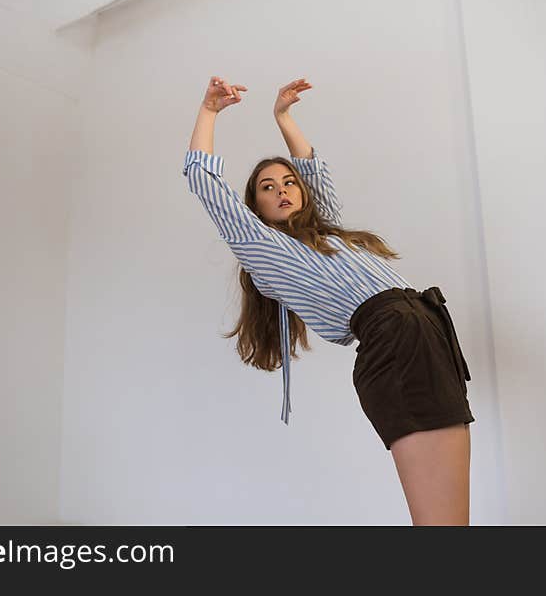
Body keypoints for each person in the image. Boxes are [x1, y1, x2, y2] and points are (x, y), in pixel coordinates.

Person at [183, 75, 475, 525]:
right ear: (255, 209)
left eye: (288, 182)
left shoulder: (329, 233)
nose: (282, 189)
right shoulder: (263, 247)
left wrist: (283, 116)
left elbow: (313, 169)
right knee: (440, 524)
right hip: (394, 343)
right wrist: (209, 111)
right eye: (267, 187)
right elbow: (204, 181)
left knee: (452, 521)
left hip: (427, 333)